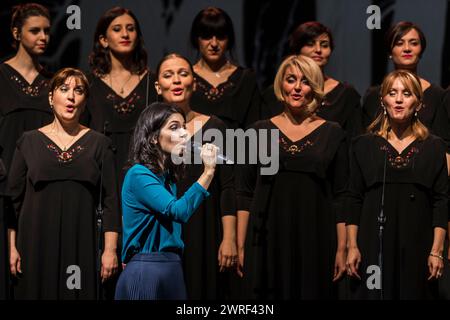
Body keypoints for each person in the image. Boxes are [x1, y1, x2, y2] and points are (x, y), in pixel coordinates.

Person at [236, 55, 348, 299]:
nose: (297, 87)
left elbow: (341, 196)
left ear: (315, 87)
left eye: (305, 81)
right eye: (291, 80)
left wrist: (342, 247)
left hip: (316, 236)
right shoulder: (258, 130)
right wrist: (240, 244)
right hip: (265, 237)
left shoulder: (332, 132)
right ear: (281, 85)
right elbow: (244, 192)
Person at [7, 68, 121, 299]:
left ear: (85, 100)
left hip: (81, 242)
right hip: (34, 242)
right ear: (51, 97)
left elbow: (110, 202)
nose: (71, 96)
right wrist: (11, 246)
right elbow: (13, 200)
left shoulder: (100, 144)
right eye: (64, 89)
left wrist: (110, 250)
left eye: (78, 91)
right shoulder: (28, 141)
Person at [346, 70, 448, 299]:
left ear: (419, 103)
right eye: (392, 93)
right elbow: (353, 197)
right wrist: (351, 246)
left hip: (418, 243)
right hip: (374, 242)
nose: (399, 99)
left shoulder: (434, 147)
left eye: (407, 93)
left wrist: (437, 251)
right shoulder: (363, 145)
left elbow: (441, 200)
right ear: (383, 100)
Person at [114, 102, 219, 300]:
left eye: (184, 127)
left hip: (171, 268)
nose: (185, 134)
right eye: (174, 127)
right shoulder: (139, 174)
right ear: (154, 138)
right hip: (148, 270)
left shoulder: (168, 179)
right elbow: (178, 211)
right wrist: (209, 172)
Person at [155, 53, 237, 299]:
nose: (177, 81)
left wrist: (230, 238)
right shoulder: (149, 129)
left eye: (183, 74)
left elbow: (228, 186)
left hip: (205, 227)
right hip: (164, 228)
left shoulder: (216, 126)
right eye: (168, 76)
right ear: (158, 86)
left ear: (194, 82)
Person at [0, 3, 53, 299]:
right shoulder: (1, 76)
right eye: (35, 31)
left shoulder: (52, 83)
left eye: (47, 30)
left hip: (41, 187)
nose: (43, 36)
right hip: (5, 187)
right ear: (17, 33)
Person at [84, 6, 157, 190]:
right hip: (101, 171)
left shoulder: (153, 81)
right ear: (103, 40)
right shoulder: (88, 83)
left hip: (143, 171)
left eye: (131, 29)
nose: (125, 34)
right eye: (117, 29)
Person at [262, 21, 362, 139]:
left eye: (324, 45)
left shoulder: (346, 95)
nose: (318, 50)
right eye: (310, 44)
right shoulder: (275, 93)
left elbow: (355, 141)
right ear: (297, 48)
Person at [362, 22, 450, 149]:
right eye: (399, 43)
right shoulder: (373, 95)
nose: (407, 48)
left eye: (414, 43)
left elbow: (444, 145)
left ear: (421, 49)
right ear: (390, 51)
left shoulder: (438, 95)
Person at [189, 6, 261, 130]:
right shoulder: (186, 79)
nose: (214, 44)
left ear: (229, 40)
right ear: (197, 39)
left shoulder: (245, 79)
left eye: (221, 36)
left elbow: (256, 129)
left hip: (237, 148)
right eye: (207, 36)